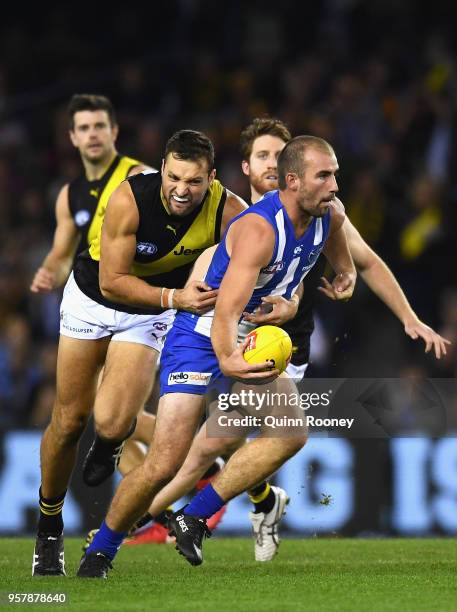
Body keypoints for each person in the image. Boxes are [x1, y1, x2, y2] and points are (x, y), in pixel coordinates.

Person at [119, 118, 449, 562]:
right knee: (208, 443)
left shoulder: (321, 209)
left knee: (211, 446)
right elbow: (210, 271)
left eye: (280, 154)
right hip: (227, 334)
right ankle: (235, 506)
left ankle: (138, 524)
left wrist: (409, 318)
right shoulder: (238, 215)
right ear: (248, 167)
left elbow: (363, 262)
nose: (272, 164)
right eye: (263, 156)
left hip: (282, 345)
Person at [77, 134, 357, 577]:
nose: (334, 184)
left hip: (249, 334)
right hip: (203, 334)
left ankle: (193, 517)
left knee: (289, 433)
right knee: (167, 460)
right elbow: (225, 310)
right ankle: (101, 550)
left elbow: (331, 265)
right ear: (292, 181)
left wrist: (340, 281)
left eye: (334, 174)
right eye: (324, 175)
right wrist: (228, 361)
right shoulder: (258, 230)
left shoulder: (330, 215)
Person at [32, 128, 247, 576]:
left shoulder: (229, 211)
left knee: (111, 422)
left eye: (193, 181)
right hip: (94, 298)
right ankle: (49, 524)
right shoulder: (130, 198)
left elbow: (254, 263)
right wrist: (176, 299)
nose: (181, 190)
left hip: (149, 312)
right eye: (173, 178)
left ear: (211, 178)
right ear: (162, 169)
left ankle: (110, 444)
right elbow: (113, 281)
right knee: (69, 420)